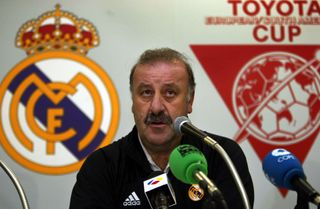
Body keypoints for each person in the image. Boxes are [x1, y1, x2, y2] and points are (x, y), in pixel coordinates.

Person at [69, 48, 254, 209]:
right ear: (133, 101)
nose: (156, 107)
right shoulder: (102, 167)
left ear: (189, 100)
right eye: (146, 93)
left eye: (170, 93)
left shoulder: (221, 156)